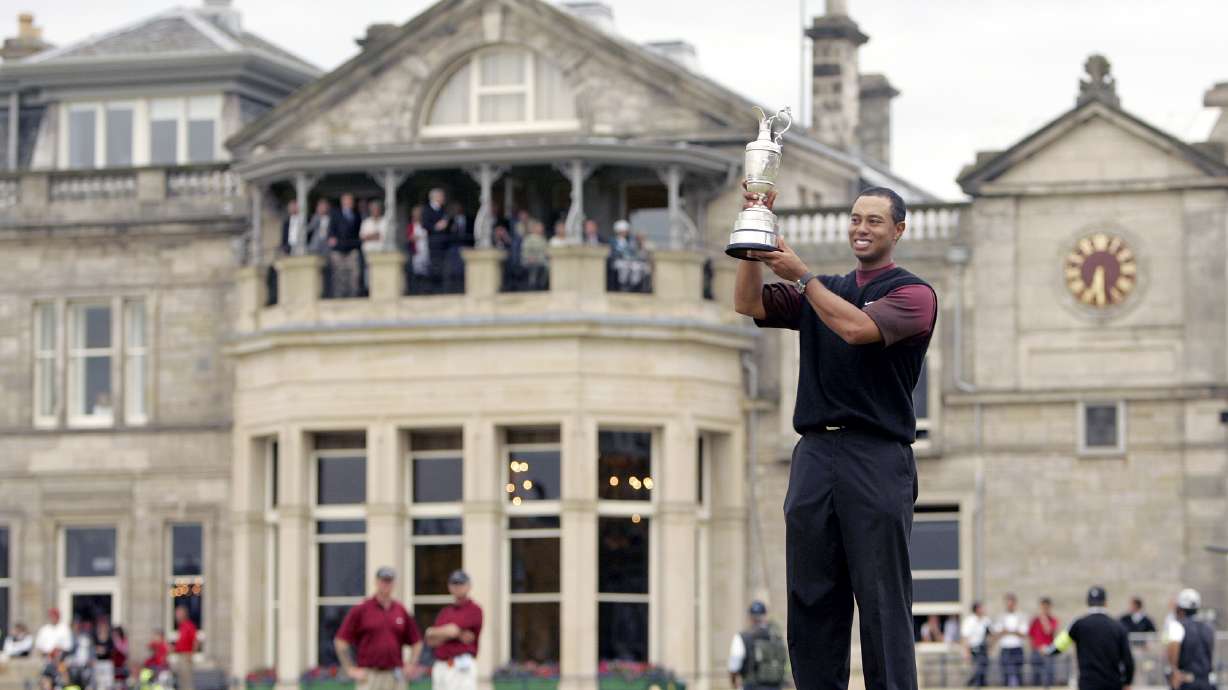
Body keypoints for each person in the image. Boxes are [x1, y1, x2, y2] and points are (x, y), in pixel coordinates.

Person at [734, 186, 936, 690]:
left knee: (881, 599)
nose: (861, 229)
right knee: (811, 597)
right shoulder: (825, 288)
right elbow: (747, 302)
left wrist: (803, 278)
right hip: (815, 453)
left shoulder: (913, 295)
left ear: (898, 230)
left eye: (873, 221)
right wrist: (753, 237)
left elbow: (857, 330)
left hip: (877, 454)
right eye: (855, 219)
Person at [335, 567, 423, 690]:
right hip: (369, 675)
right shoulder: (362, 609)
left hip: (394, 675)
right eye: (383, 580)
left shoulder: (400, 610)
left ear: (394, 584)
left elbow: (417, 642)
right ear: (376, 582)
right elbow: (341, 641)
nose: (386, 584)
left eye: (389, 581)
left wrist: (411, 664)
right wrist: (350, 668)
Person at [1046, 586, 1134, 690]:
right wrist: (1127, 682)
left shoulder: (1078, 624)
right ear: (1106, 603)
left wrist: (1046, 650)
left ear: (1087, 603)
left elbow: (1057, 647)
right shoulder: (1118, 626)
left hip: (1088, 684)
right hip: (1112, 684)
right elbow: (1128, 660)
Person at [425, 570, 483, 690]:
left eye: (461, 583)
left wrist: (439, 632)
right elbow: (430, 639)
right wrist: (435, 632)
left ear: (469, 586)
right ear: (449, 586)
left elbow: (453, 630)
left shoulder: (474, 609)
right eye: (454, 583)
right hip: (441, 665)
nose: (458, 587)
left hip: (462, 666)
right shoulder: (445, 612)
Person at [728, 601, 787, 690]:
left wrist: (734, 686)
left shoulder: (743, 637)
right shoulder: (776, 636)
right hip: (776, 687)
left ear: (750, 617)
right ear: (765, 615)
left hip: (752, 686)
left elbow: (733, 667)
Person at [1165, 589, 1214, 690]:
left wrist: (1174, 671)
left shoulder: (1177, 625)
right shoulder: (1208, 627)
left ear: (1180, 609)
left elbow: (1174, 646)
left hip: (1186, 681)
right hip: (1206, 681)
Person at [329, 192, 364, 298]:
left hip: (352, 248)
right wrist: (332, 239)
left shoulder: (357, 215)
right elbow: (331, 230)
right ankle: (339, 297)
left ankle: (353, 295)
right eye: (346, 200)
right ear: (342, 202)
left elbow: (358, 232)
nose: (349, 202)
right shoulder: (335, 214)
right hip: (338, 249)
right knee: (339, 276)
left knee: (354, 275)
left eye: (350, 200)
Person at [421, 189, 453, 293]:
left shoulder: (444, 210)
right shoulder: (427, 209)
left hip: (444, 242)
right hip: (434, 242)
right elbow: (425, 224)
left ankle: (443, 288)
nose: (443, 198)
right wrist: (436, 227)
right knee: (434, 264)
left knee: (444, 265)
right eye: (441, 196)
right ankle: (431, 288)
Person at [996, 593, 1029, 687]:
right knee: (1005, 673)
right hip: (1005, 647)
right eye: (1008, 602)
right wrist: (1010, 631)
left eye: (1011, 602)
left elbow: (1023, 633)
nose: (1009, 604)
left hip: (1017, 647)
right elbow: (998, 632)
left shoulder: (1021, 616)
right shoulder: (1001, 616)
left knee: (1019, 673)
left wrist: (1011, 631)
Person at [1029, 597, 1059, 687]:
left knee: (1048, 676)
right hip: (1037, 651)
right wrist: (1036, 648)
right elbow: (1031, 635)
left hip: (1048, 651)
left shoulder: (1053, 620)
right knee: (1036, 675)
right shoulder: (1035, 620)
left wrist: (1044, 618)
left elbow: (1048, 630)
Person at [962, 602, 992, 688]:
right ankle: (973, 684)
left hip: (983, 648)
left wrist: (990, 647)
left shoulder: (986, 620)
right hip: (973, 648)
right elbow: (965, 637)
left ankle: (978, 684)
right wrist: (966, 652)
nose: (983, 609)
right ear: (977, 609)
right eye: (982, 608)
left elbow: (990, 634)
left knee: (984, 667)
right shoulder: (969, 621)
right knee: (979, 667)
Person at [172, 606, 198, 690]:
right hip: (180, 655)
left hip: (186, 656)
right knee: (181, 681)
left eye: (178, 613)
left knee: (187, 681)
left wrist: (191, 655)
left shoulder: (189, 626)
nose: (177, 616)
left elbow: (195, 641)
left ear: (184, 614)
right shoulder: (181, 626)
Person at [521, 220, 549, 290]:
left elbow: (546, 251)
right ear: (535, 228)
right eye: (539, 227)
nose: (541, 228)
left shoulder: (543, 239)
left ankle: (543, 286)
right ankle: (532, 286)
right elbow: (525, 252)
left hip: (542, 260)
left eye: (542, 227)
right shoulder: (528, 239)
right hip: (530, 260)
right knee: (535, 266)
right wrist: (530, 258)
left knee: (548, 266)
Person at [93, 619, 116, 690]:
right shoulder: (96, 638)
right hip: (98, 662)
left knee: (108, 682)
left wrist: (104, 650)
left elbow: (112, 650)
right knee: (98, 681)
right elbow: (93, 649)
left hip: (107, 662)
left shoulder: (110, 639)